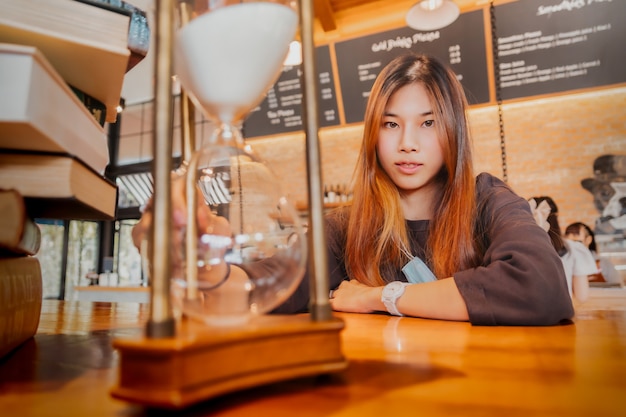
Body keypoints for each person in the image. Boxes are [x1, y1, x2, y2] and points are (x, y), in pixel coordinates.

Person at [134, 53, 574, 326]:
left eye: (427, 122)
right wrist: (198, 263)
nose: (407, 142)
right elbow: (267, 288)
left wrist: (379, 297)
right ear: (373, 135)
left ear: (452, 129)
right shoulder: (346, 227)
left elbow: (540, 286)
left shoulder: (486, 199)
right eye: (391, 124)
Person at [527, 197, 597, 303]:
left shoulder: (515, 246)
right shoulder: (573, 249)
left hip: (522, 315)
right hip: (559, 315)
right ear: (556, 218)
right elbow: (582, 296)